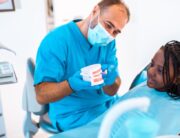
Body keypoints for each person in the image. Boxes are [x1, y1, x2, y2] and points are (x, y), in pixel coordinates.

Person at [34, 0, 130, 131]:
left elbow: (112, 90)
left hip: (107, 105)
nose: (109, 34)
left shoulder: (108, 43)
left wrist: (112, 80)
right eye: (108, 25)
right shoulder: (57, 41)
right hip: (73, 114)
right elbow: (41, 95)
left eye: (116, 32)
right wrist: (71, 84)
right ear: (95, 11)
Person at [51, 40, 180, 138]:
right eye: (151, 64)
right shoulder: (148, 85)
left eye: (160, 70)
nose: (150, 71)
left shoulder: (173, 110)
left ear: (177, 78)